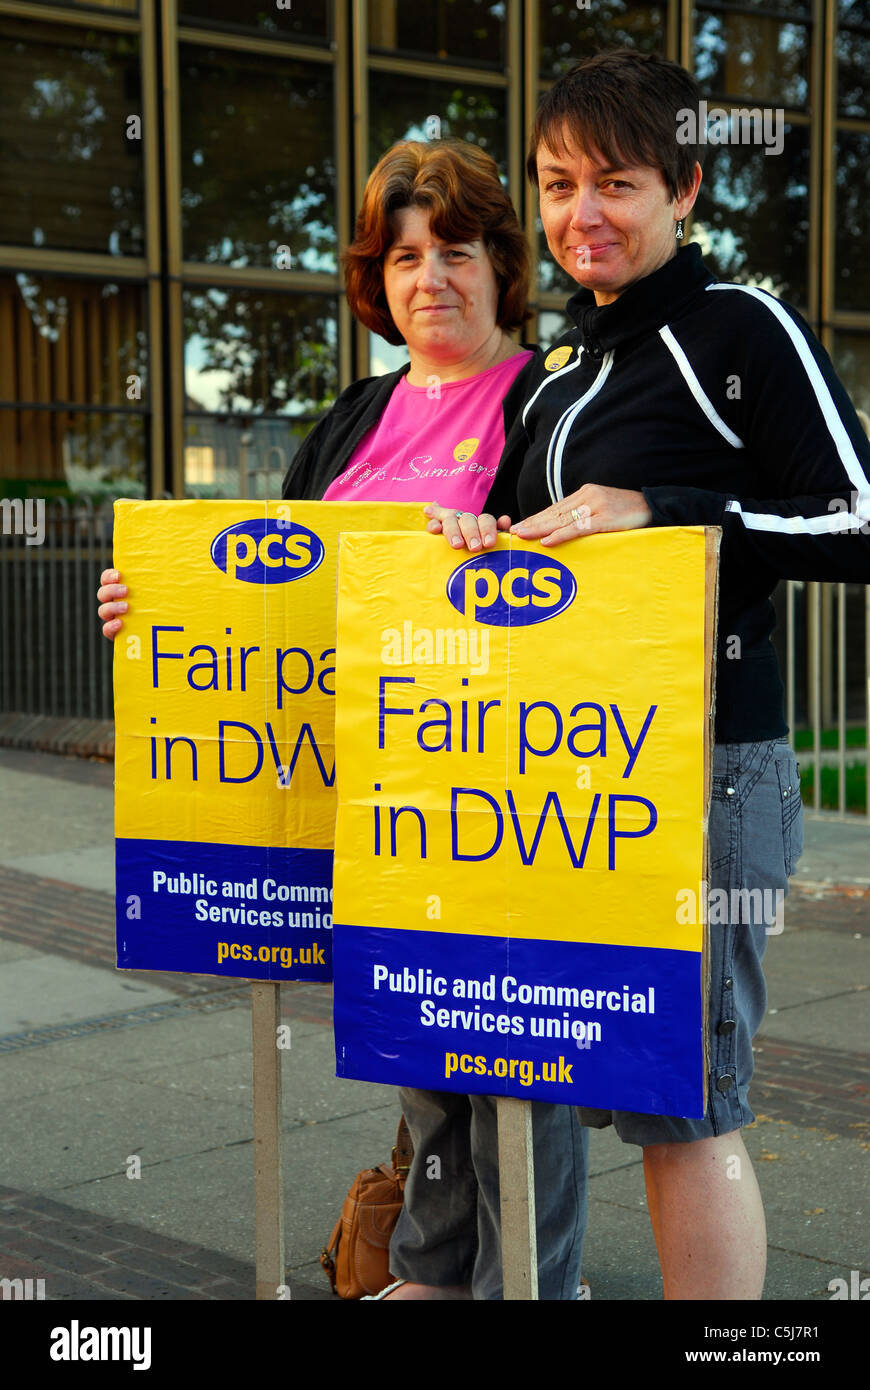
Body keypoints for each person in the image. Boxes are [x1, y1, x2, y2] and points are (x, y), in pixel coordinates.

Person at [97, 138, 589, 1301]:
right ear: (379, 276)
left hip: (505, 778)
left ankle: (532, 1282)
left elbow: (593, 578)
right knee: (420, 1029)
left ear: (500, 262)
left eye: (457, 250)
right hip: (367, 778)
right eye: (405, 255)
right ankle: (428, 1267)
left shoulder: (551, 401)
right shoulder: (356, 415)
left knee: (517, 1048)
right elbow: (271, 597)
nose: (431, 277)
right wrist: (154, 609)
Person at [427, 50, 870, 1301]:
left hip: (706, 772)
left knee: (684, 1102)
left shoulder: (741, 326)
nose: (582, 216)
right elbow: (530, 557)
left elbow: (858, 521)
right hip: (560, 773)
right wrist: (474, 537)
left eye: (615, 182)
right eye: (558, 184)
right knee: (566, 1065)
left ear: (684, 189)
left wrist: (666, 510)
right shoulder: (557, 374)